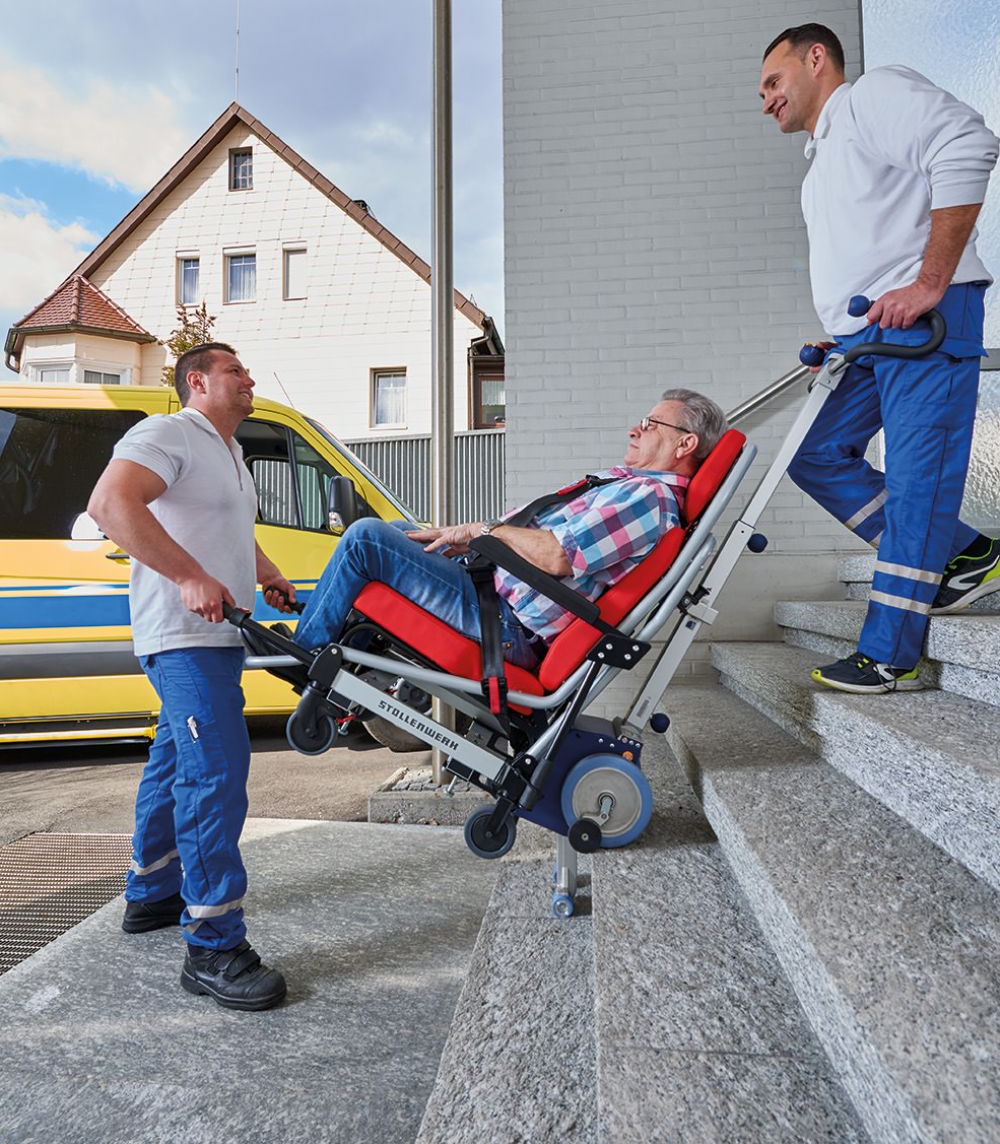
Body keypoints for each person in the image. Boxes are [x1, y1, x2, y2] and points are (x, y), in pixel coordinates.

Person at [759, 23, 1000, 695]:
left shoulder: (871, 98)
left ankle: (889, 656)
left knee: (920, 483)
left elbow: (968, 143)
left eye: (773, 82)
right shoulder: (824, 159)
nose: (766, 99)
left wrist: (929, 283)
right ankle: (966, 552)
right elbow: (874, 244)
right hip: (870, 336)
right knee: (814, 453)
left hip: (928, 319)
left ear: (816, 60)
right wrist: (840, 328)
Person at [88, 343, 295, 1012]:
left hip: (215, 636)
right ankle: (212, 946)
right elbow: (110, 504)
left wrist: (264, 569)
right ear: (198, 382)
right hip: (182, 638)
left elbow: (222, 525)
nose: (250, 378)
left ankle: (150, 895)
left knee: (175, 760)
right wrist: (186, 576)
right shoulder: (168, 432)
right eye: (237, 370)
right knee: (215, 772)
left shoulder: (227, 452)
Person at [292, 390, 727, 658]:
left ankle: (303, 654)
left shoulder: (648, 498)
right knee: (401, 530)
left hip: (505, 622)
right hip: (491, 594)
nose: (636, 428)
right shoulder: (633, 487)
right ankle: (349, 646)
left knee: (367, 538)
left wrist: (485, 532)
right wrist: (472, 540)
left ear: (685, 443)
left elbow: (560, 555)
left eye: (651, 424)